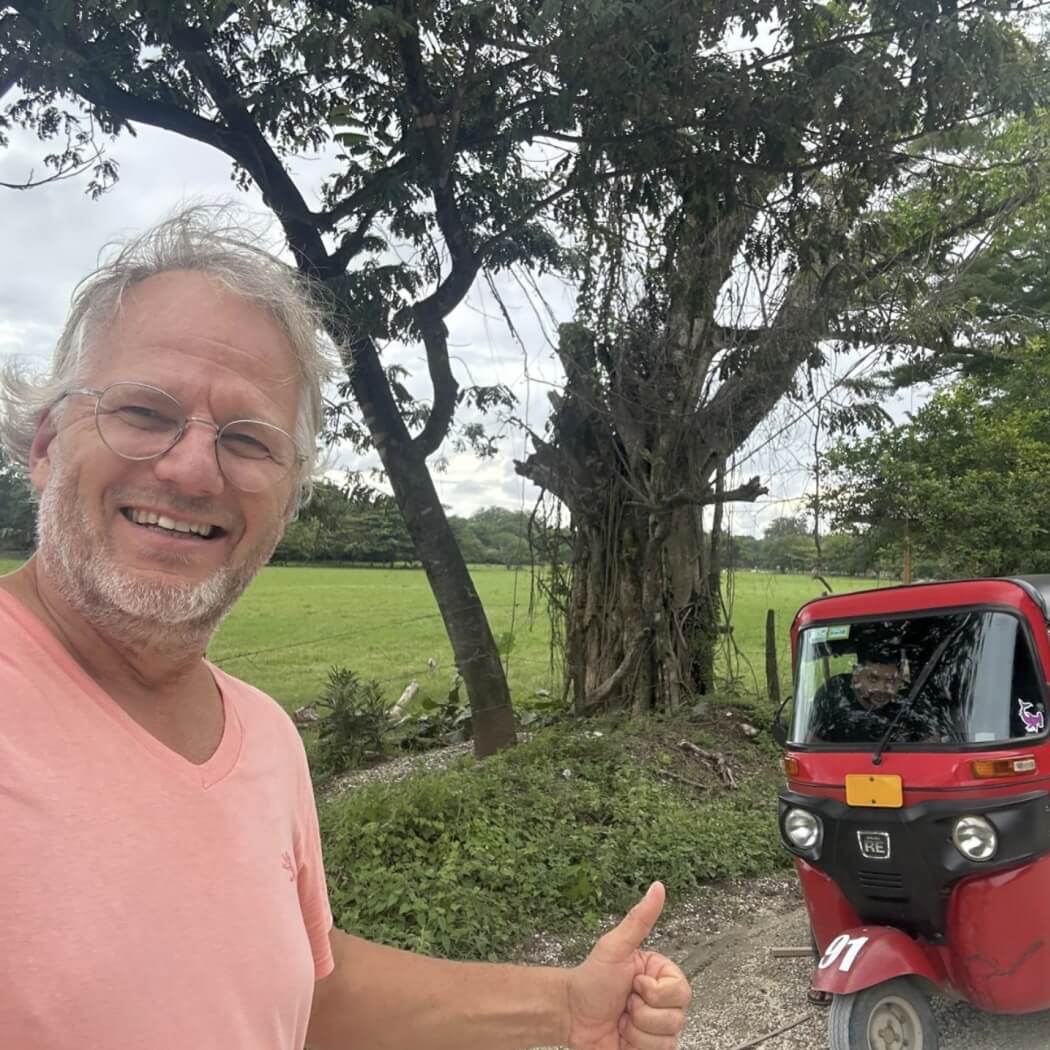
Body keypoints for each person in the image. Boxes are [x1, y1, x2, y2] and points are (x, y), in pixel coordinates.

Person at [0, 209, 691, 1050]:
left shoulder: (263, 739)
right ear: (45, 444)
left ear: (287, 501)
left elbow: (302, 985)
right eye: (144, 412)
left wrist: (563, 1008)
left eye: (248, 439)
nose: (190, 468)